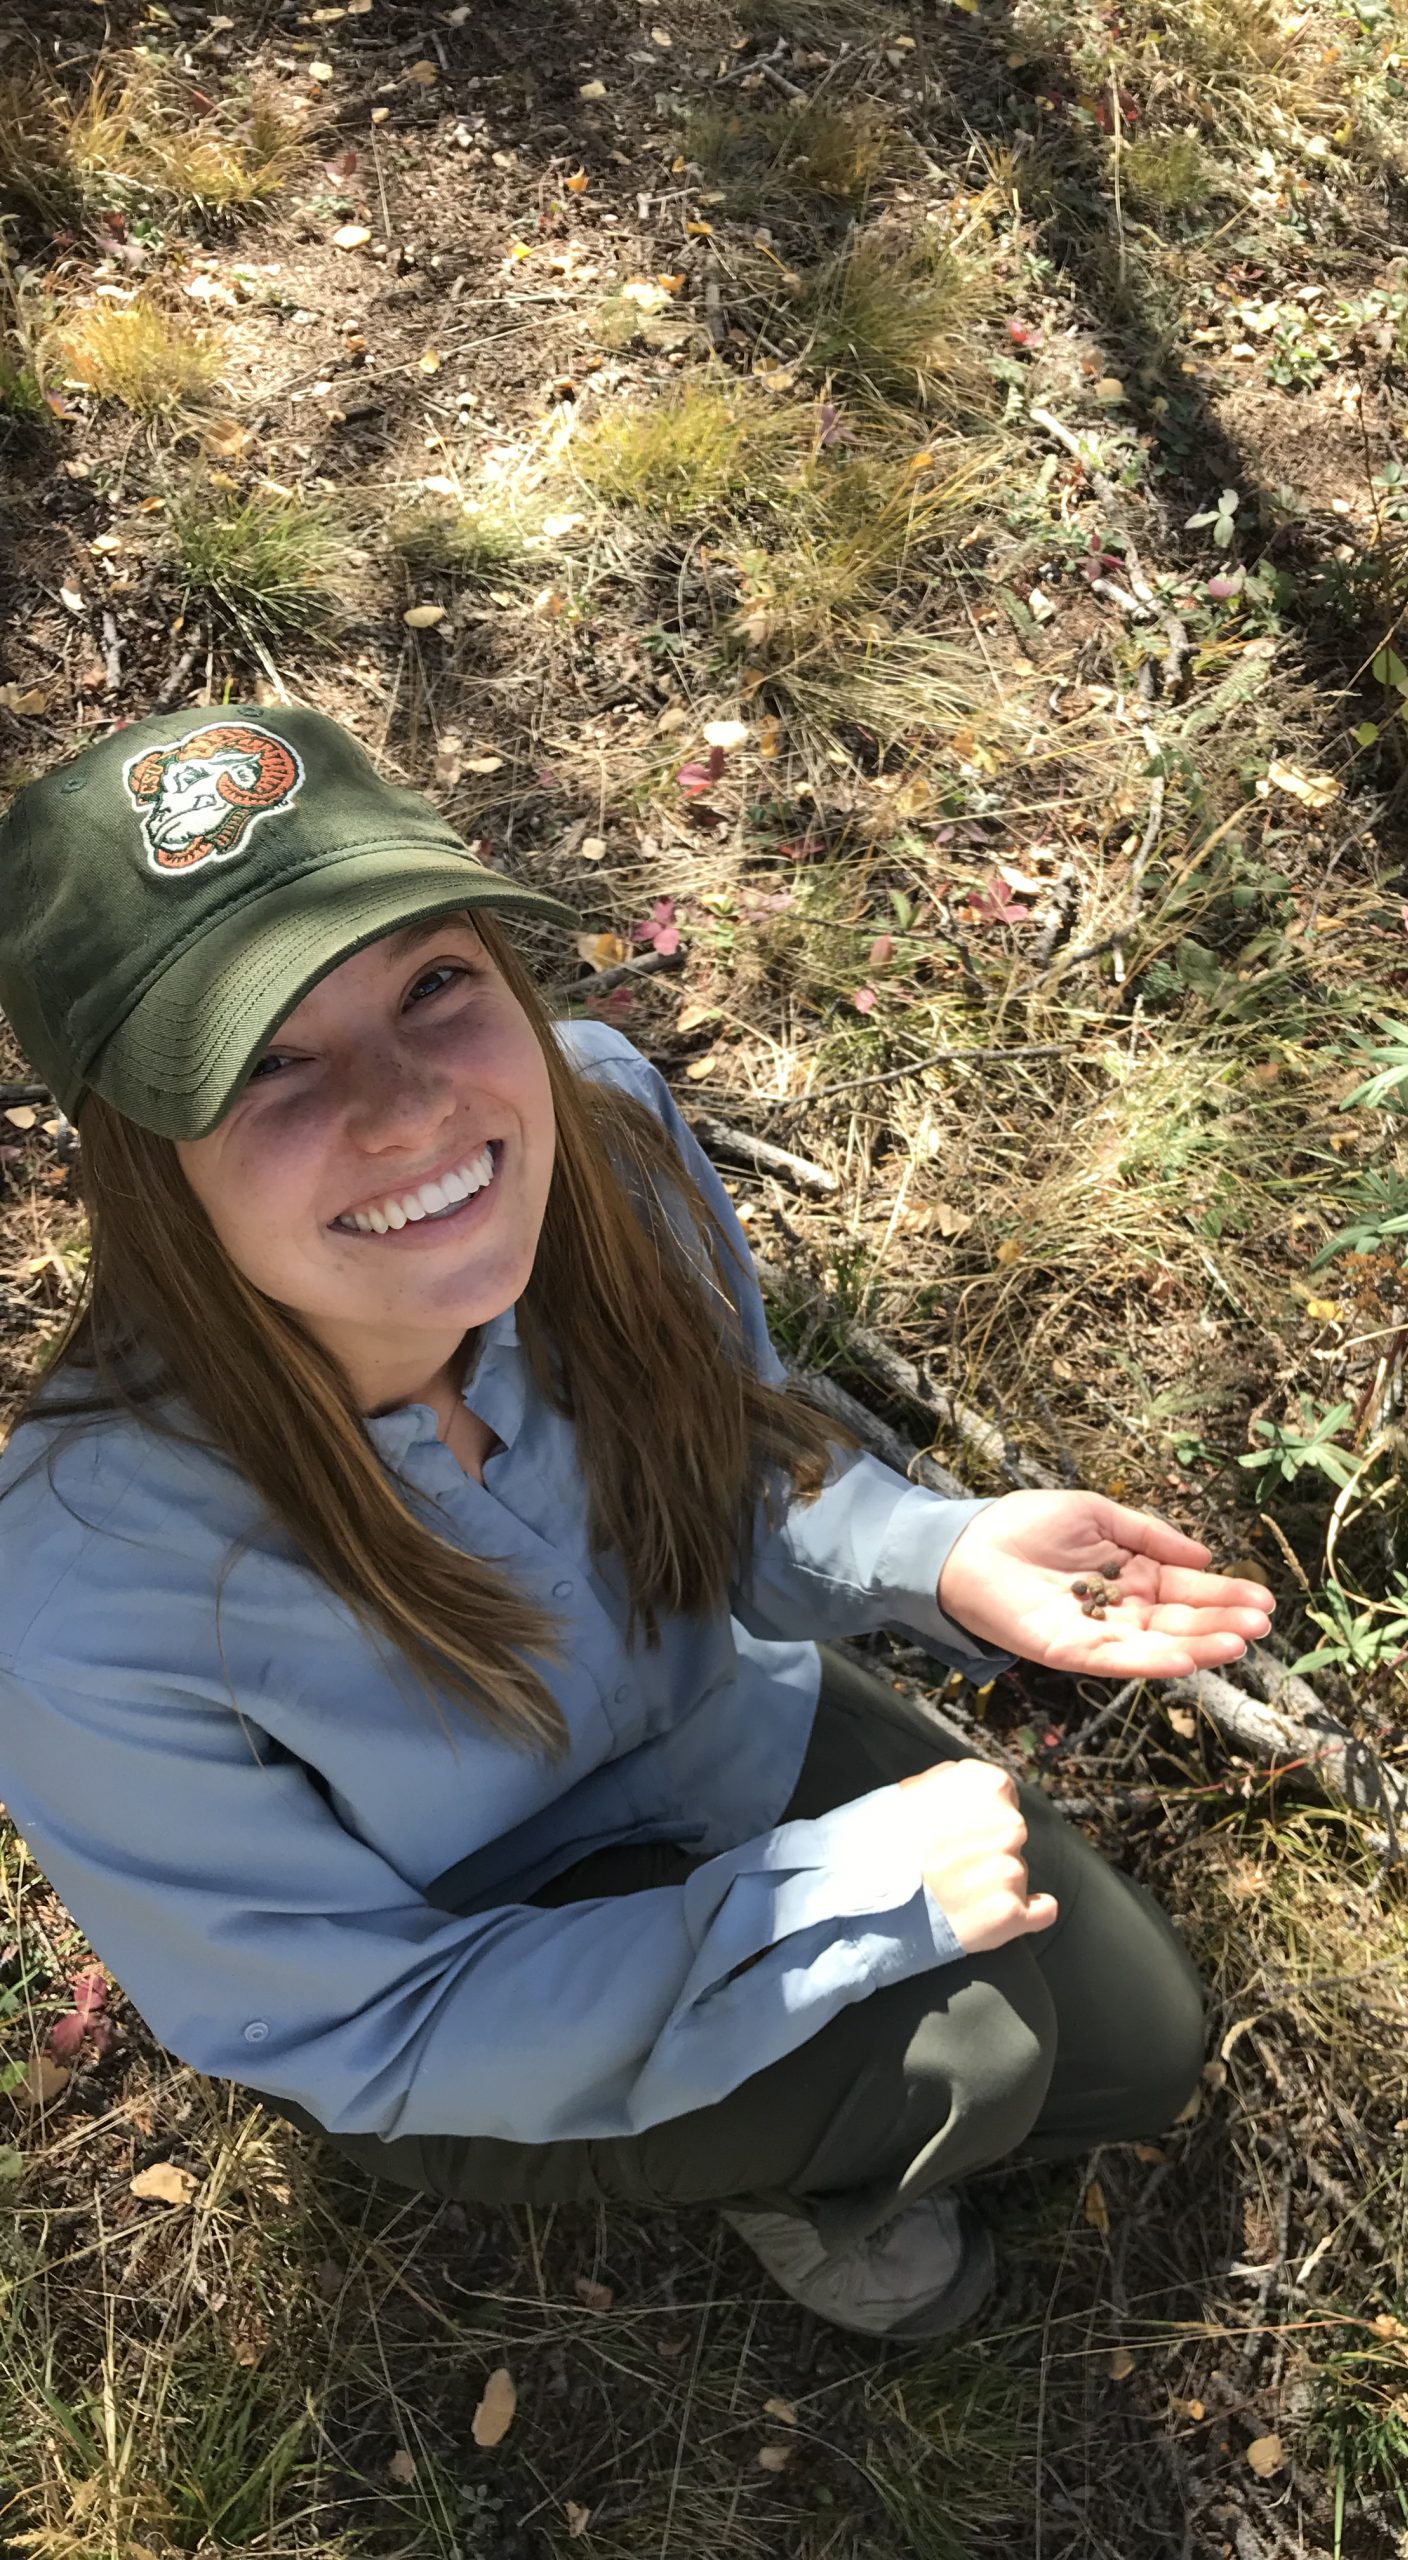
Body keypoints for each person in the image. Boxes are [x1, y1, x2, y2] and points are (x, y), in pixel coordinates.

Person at [0, 705, 1274, 2340]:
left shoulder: (597, 1131)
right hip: (475, 1963)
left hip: (715, 1737)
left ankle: (809, 2079)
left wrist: (933, 1550)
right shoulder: (80, 1589)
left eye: (434, 986)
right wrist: (820, 1907)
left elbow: (727, 1467)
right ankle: (801, 2182)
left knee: (1136, 2049)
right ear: (136, 1161)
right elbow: (355, 2024)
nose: (408, 1112)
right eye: (267, 1066)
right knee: (980, 2057)